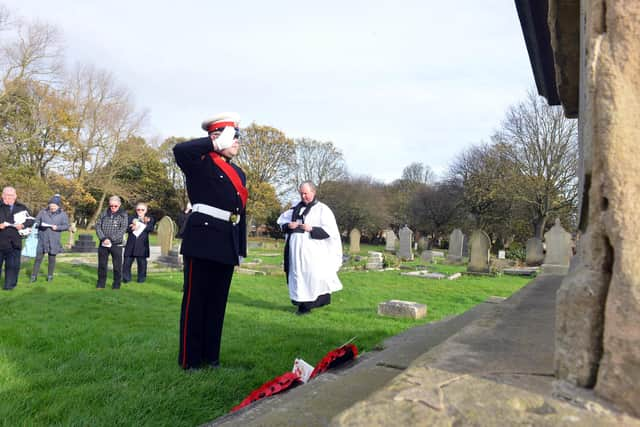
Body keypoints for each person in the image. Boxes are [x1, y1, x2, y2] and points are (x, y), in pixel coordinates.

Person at [173, 112, 247, 370]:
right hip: (202, 238)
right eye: (233, 137)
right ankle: (190, 360)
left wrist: (240, 249)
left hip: (226, 241)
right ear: (217, 137)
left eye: (237, 136)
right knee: (196, 302)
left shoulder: (238, 173)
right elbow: (179, 150)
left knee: (217, 304)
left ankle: (211, 358)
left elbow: (240, 213)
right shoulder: (200, 162)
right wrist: (214, 143)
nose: (237, 142)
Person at [277, 181, 343, 315]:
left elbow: (330, 231)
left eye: (306, 193)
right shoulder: (295, 208)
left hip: (312, 253)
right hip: (294, 253)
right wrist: (289, 226)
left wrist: (311, 228)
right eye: (301, 193)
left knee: (311, 276)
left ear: (313, 192)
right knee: (297, 276)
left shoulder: (322, 209)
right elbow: (281, 222)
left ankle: (309, 305)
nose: (303, 196)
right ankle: (300, 304)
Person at [0, 186, 34, 290]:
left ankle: (9, 287)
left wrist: (23, 225)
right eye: (6, 196)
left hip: (14, 242)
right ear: (2, 196)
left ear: (15, 196)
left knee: (13, 267)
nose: (9, 198)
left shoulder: (21, 207)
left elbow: (31, 220)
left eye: (11, 196)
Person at [31, 194, 70, 282]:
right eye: (51, 205)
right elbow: (36, 221)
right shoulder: (42, 212)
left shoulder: (63, 214)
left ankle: (50, 276)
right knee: (38, 259)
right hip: (42, 239)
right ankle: (33, 276)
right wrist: (39, 225)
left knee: (52, 259)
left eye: (54, 205)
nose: (52, 207)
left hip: (54, 240)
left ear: (58, 206)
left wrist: (58, 227)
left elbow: (66, 226)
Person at [95, 195, 128, 289]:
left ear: (119, 205)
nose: (113, 207)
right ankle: (101, 283)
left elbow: (123, 229)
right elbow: (98, 226)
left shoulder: (123, 214)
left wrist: (111, 239)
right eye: (111, 206)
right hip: (103, 243)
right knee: (102, 265)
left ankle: (116, 284)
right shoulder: (104, 213)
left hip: (116, 244)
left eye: (115, 206)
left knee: (117, 266)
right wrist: (103, 238)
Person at [123, 202, 155, 283]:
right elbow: (126, 228)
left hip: (142, 245)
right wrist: (132, 228)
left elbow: (151, 228)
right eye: (138, 209)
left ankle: (141, 279)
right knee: (127, 262)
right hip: (131, 244)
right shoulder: (130, 217)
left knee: (142, 264)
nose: (140, 211)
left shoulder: (149, 218)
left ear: (146, 210)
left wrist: (139, 225)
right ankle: (126, 278)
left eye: (142, 209)